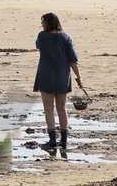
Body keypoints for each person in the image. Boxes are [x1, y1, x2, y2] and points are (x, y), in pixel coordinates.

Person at [33, 12, 82, 151]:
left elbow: (38, 45)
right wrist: (79, 78)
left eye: (43, 22)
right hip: (62, 76)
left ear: (48, 23)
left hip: (46, 76)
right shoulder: (66, 37)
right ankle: (64, 141)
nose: (42, 24)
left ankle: (52, 140)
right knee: (62, 108)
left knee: (48, 108)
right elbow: (73, 60)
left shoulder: (42, 36)